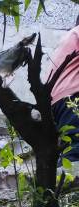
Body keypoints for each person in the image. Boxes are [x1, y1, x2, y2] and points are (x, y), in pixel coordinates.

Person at [49, 16, 79, 167]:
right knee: (76, 150)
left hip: (57, 101)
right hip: (73, 96)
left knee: (69, 148)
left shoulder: (70, 37)